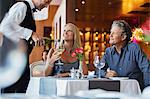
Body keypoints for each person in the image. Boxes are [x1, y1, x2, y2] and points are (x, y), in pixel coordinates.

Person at [0, 0, 52, 93]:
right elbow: (5, 27)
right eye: (47, 1)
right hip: (13, 61)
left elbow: (18, 35)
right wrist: (31, 33)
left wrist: (32, 39)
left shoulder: (29, 10)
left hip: (21, 61)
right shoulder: (21, 6)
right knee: (10, 93)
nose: (46, 6)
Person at [97, 20, 150, 90]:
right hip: (115, 90)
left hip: (134, 91)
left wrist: (147, 90)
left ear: (123, 37)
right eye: (110, 32)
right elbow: (98, 69)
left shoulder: (134, 48)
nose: (110, 35)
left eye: (114, 33)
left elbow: (146, 69)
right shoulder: (108, 52)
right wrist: (106, 74)